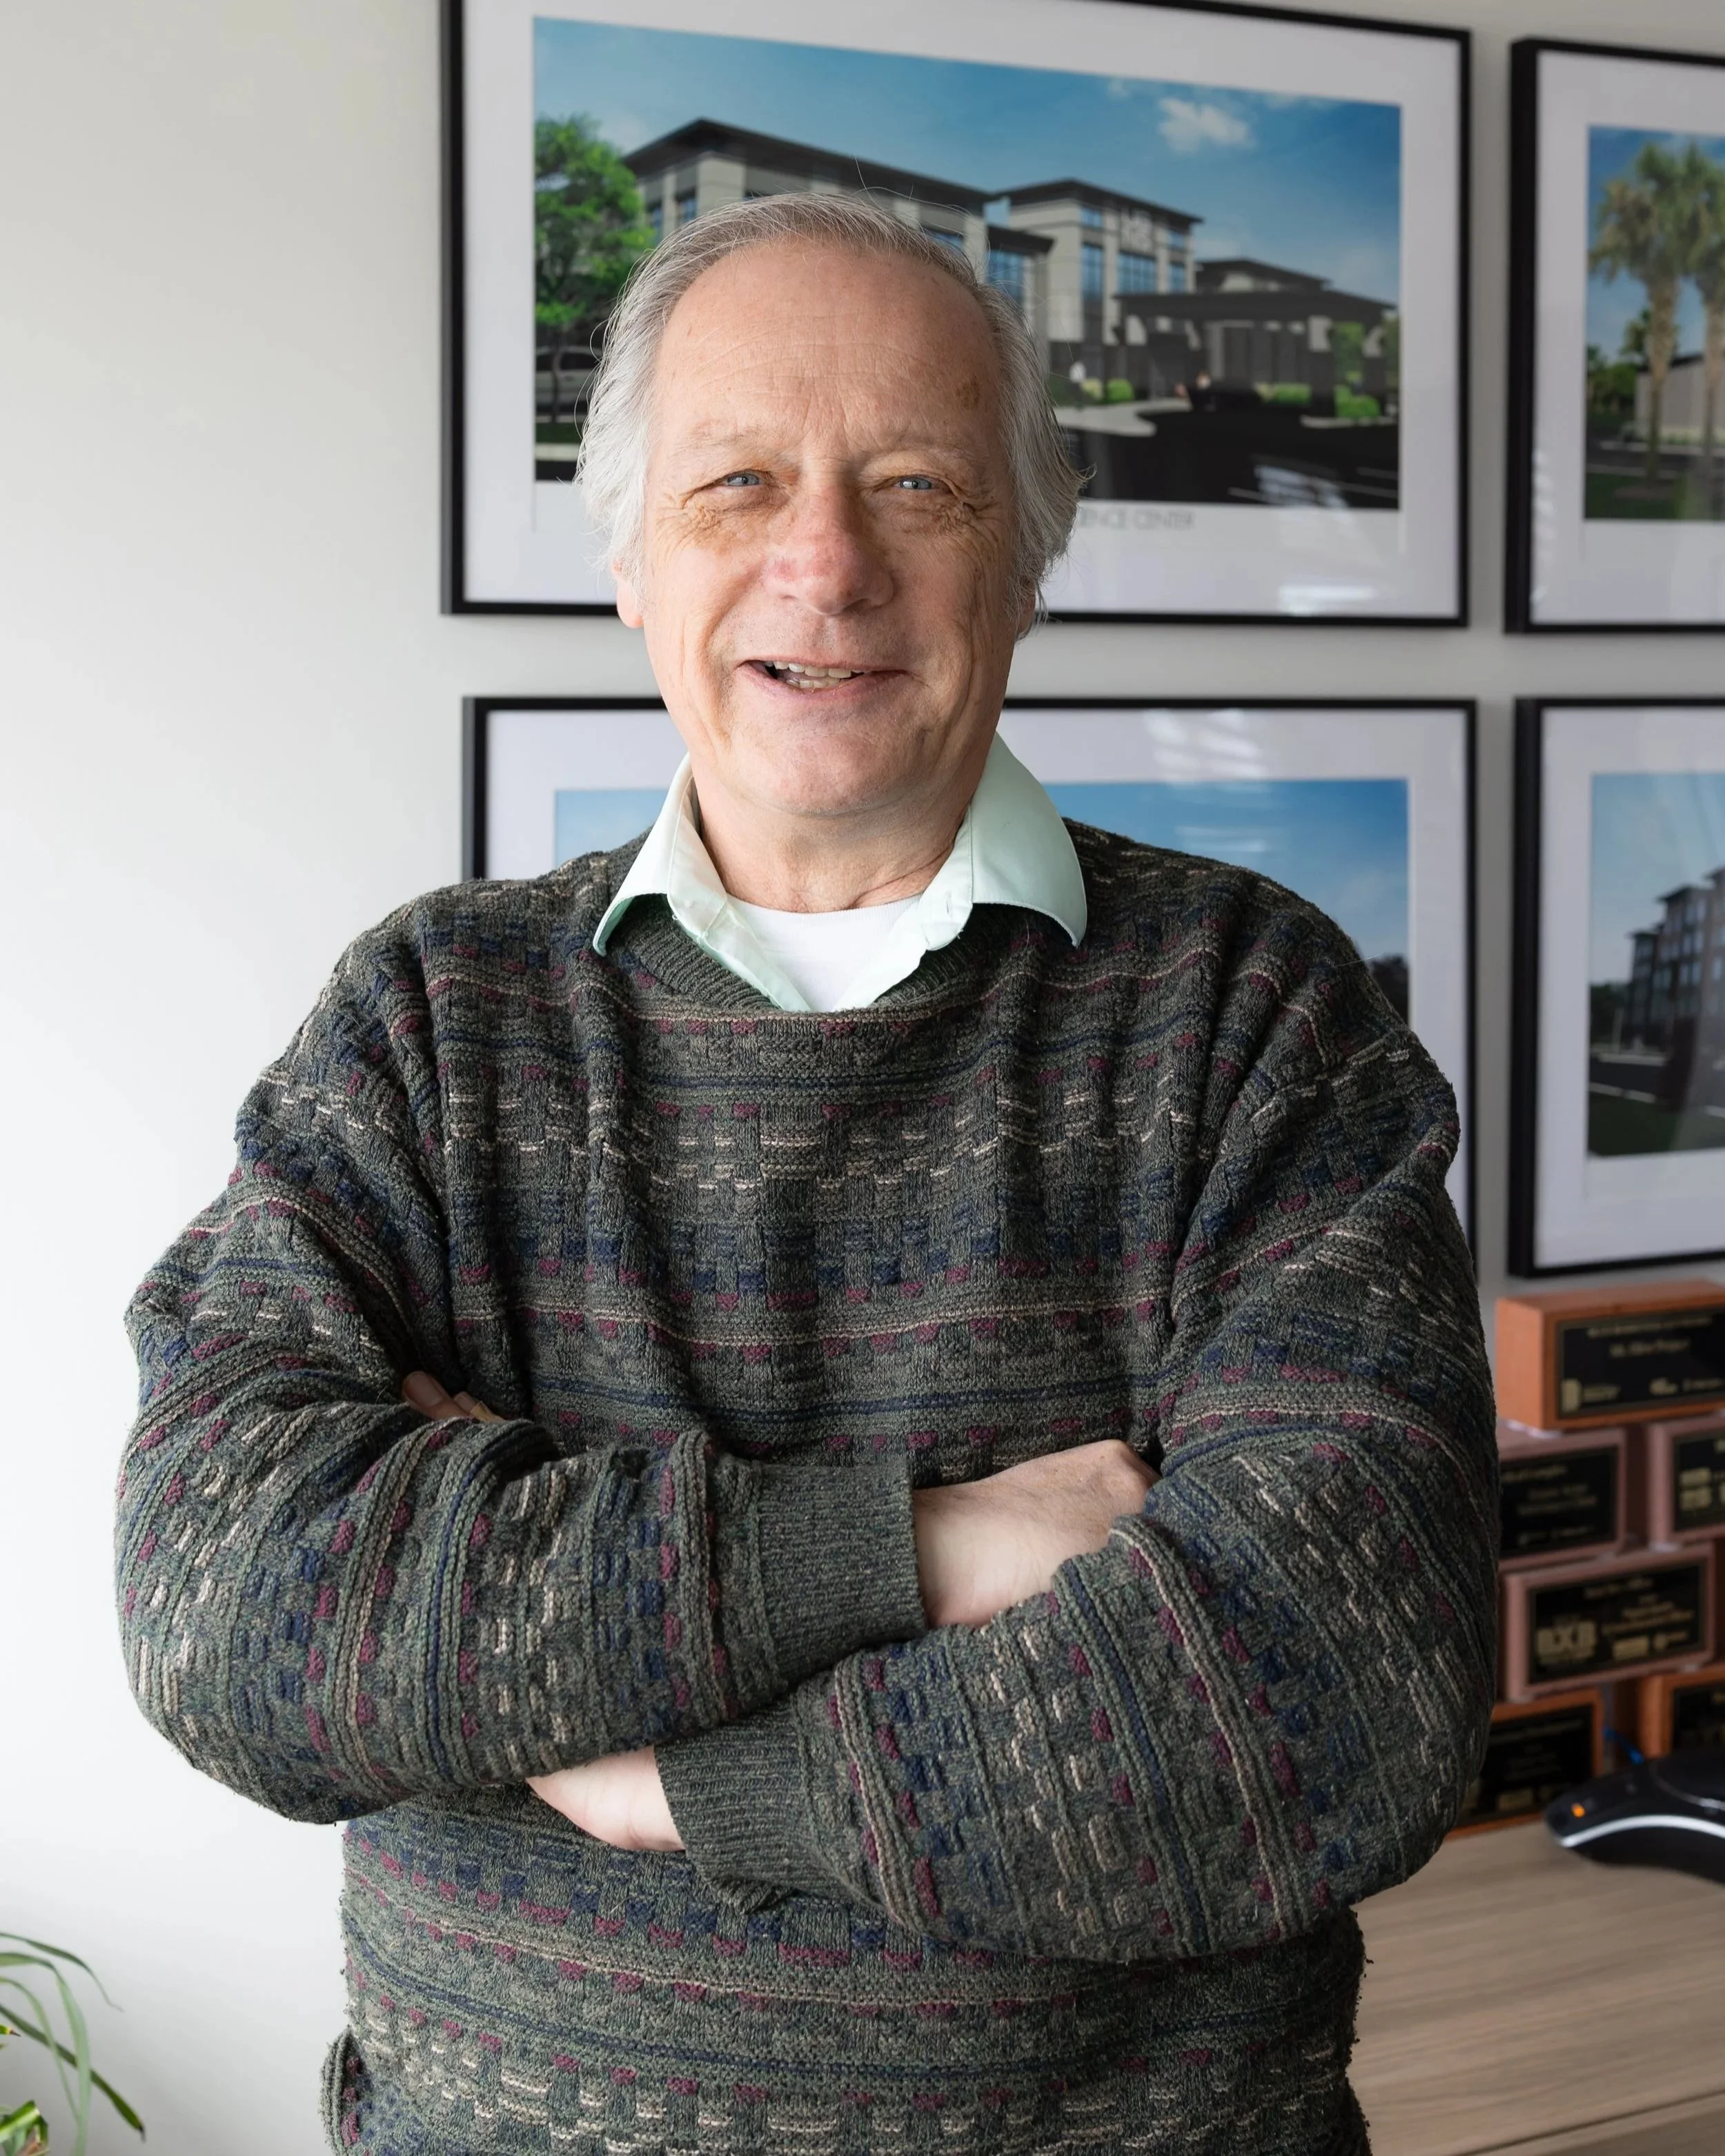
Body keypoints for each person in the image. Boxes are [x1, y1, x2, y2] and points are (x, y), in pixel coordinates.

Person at [117, 195, 1496, 2156]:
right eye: (737, 482)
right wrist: (920, 1547)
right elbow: (234, 1606)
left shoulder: (1254, 1018)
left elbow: (1329, 1695)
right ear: (627, 562)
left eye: (914, 483)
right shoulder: (434, 1018)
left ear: (1019, 557)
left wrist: (657, 1775)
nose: (822, 562)